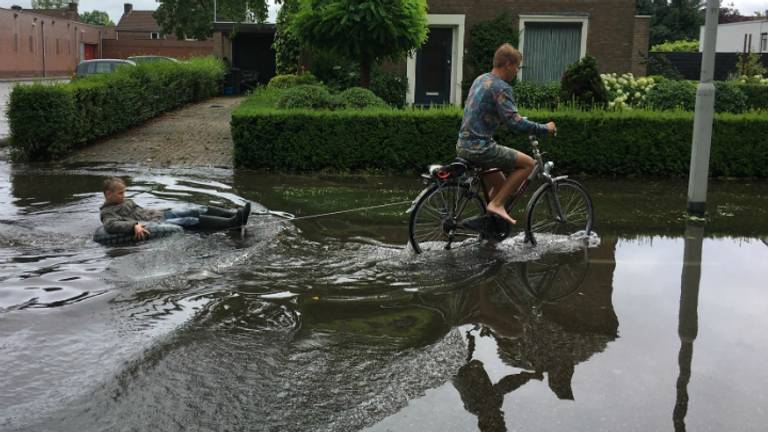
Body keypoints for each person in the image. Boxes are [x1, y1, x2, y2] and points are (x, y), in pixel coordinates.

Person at [457, 43, 557, 226]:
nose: (517, 71)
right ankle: (495, 205)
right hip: (481, 148)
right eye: (517, 67)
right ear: (508, 64)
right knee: (528, 164)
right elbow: (515, 123)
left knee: (504, 185)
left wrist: (513, 118)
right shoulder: (501, 88)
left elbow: (486, 112)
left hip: (463, 145)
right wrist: (545, 128)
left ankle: (489, 225)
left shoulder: (481, 79)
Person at [100, 177, 251, 240]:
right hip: (156, 223)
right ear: (109, 194)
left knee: (196, 209)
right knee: (189, 219)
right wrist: (133, 225)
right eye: (120, 193)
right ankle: (233, 223)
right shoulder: (107, 212)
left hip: (159, 214)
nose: (123, 195)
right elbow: (111, 226)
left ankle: (235, 215)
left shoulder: (124, 202)